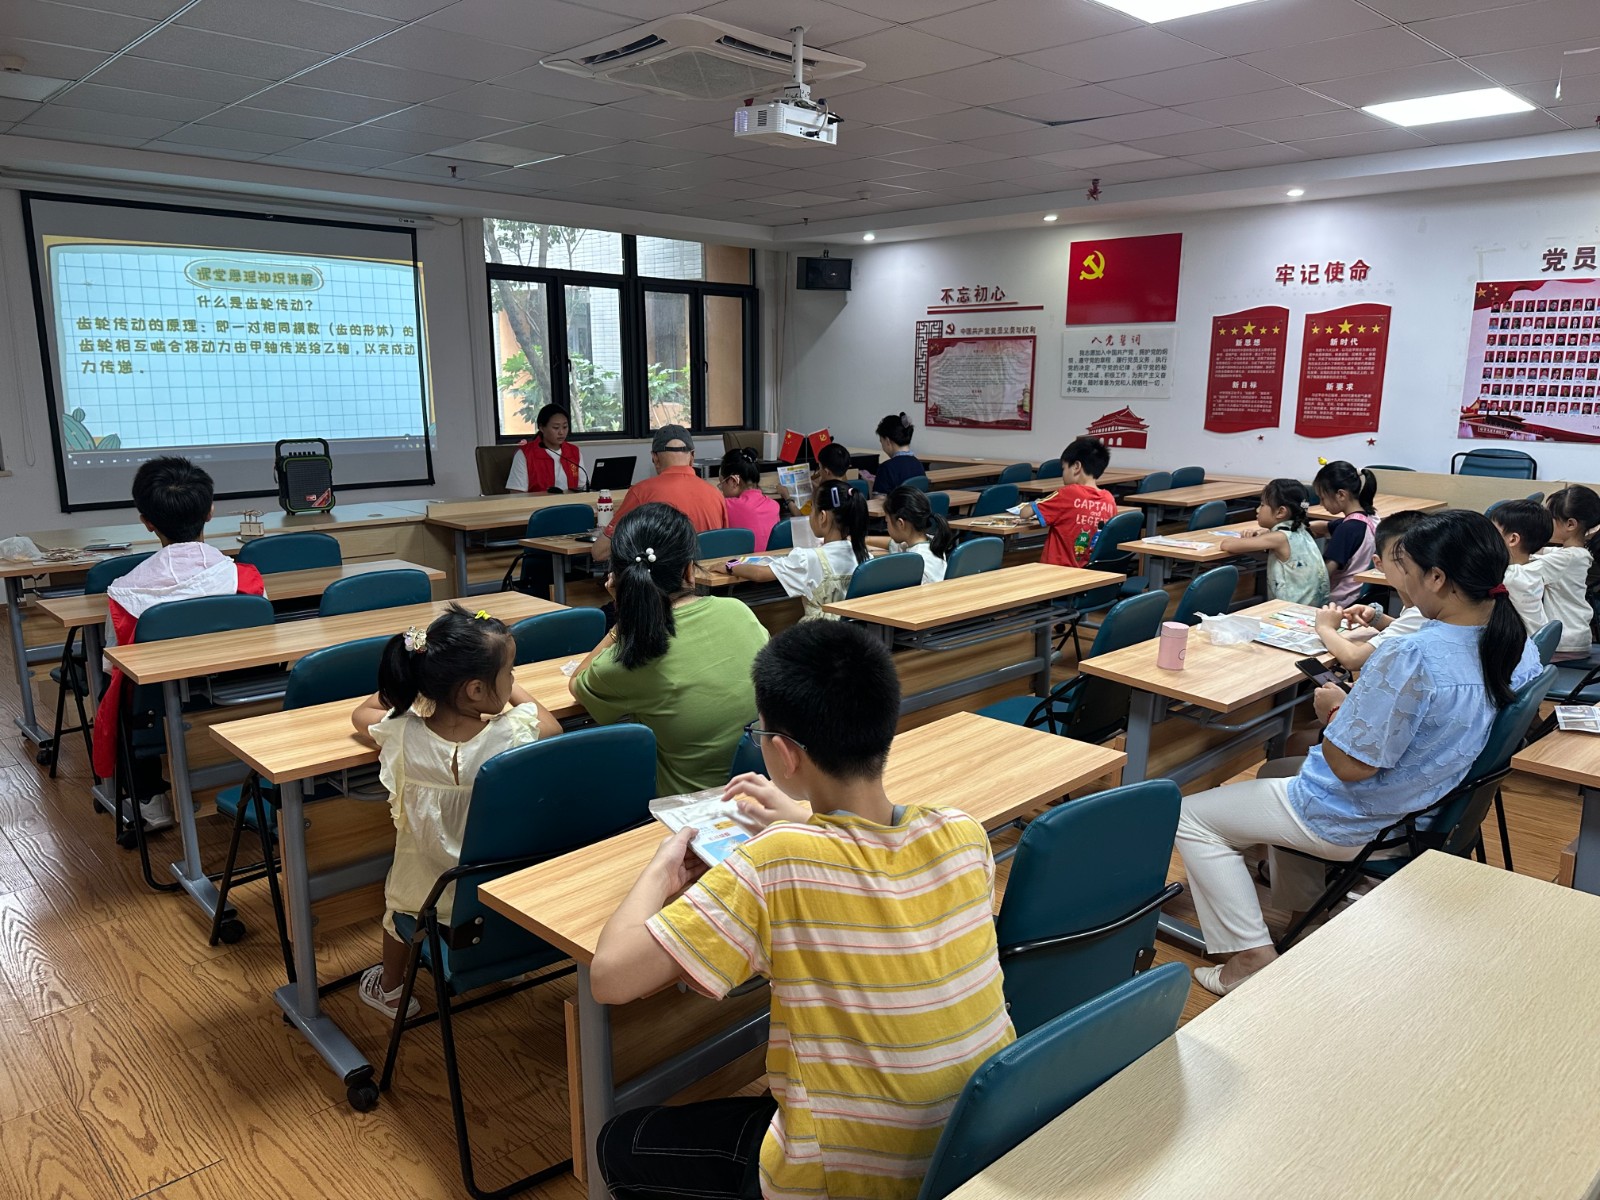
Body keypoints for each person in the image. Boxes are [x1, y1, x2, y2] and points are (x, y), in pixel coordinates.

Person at [590, 620, 1014, 1200]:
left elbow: (612, 977)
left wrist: (661, 870)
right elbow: (868, 863)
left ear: (784, 753)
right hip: (971, 1142)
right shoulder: (963, 833)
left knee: (618, 1142)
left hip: (846, 1178)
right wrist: (803, 813)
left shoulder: (777, 861)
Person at [1176, 509, 1540, 995]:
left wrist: (1333, 711)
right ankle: (1307, 911)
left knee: (1189, 817)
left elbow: (1349, 767)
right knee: (1279, 772)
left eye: (1406, 571)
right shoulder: (1512, 640)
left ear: (1437, 577)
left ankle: (1249, 958)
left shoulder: (1414, 653)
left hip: (1362, 816)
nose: (1401, 582)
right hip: (1424, 806)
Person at [350, 605, 561, 1018]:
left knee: (398, 909)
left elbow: (361, 715)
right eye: (510, 672)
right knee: (482, 903)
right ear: (476, 690)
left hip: (425, 889)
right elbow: (551, 726)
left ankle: (390, 988)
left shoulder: (402, 734)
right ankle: (501, 959)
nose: (513, 680)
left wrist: (416, 682)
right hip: (494, 881)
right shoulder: (511, 733)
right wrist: (509, 692)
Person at [92, 456, 268, 829]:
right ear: (210, 512)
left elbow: (116, 667)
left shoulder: (124, 592)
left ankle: (150, 800)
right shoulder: (246, 579)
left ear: (146, 521)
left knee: (112, 685)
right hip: (242, 694)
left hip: (156, 709)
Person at [572, 503, 768, 793]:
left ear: (620, 581)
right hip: (761, 792)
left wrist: (625, 615)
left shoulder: (630, 658)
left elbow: (578, 683)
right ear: (689, 570)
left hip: (684, 810)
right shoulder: (739, 611)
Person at [729, 480, 869, 618]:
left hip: (818, 630)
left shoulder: (809, 558)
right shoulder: (865, 556)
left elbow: (759, 574)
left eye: (812, 509)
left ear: (822, 517)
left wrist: (731, 566)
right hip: (853, 630)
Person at [592, 425, 726, 564]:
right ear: (692, 456)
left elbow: (600, 552)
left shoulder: (641, 492)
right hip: (707, 575)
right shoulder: (716, 494)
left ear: (655, 458)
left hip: (663, 576)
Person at [1315, 509, 1429, 671]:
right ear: (1379, 564)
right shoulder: (1419, 604)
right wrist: (1377, 618)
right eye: (1400, 560)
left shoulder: (1422, 611)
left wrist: (1324, 627)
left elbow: (1354, 659)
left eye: (1420, 558)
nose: (1412, 568)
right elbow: (1410, 630)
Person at [1220, 477, 1329, 606]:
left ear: (1280, 512)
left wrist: (1248, 539)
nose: (1257, 510)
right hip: (1315, 609)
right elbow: (1275, 559)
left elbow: (1227, 545)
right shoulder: (1302, 530)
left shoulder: (1279, 537)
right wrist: (1257, 540)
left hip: (1290, 611)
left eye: (1262, 505)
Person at [1024, 436, 1119, 569]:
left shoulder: (1068, 493)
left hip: (1056, 570)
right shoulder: (1109, 499)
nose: (1063, 473)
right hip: (1090, 572)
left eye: (1064, 468)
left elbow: (1025, 513)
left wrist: (1028, 505)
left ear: (1076, 466)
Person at [1539, 485, 1600, 658]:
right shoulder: (1576, 553)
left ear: (1570, 524)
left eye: (1550, 517)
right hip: (1574, 636)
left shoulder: (1566, 559)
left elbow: (1521, 568)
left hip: (1564, 642)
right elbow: (1541, 552)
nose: (1545, 522)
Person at [1310, 462, 1379, 606]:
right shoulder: (1369, 518)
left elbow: (1323, 575)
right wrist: (1298, 526)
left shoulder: (1346, 529)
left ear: (1341, 494)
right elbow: (1326, 526)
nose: (1321, 504)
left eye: (1323, 498)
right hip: (1360, 597)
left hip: (1340, 601)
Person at [1492, 499, 1555, 641]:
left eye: (1493, 532)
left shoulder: (1510, 577)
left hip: (1521, 646)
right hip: (1537, 638)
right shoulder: (1535, 566)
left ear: (1513, 539)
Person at [870, 485, 956, 582]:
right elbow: (894, 544)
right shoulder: (932, 541)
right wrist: (864, 540)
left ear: (900, 523)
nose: (887, 526)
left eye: (887, 522)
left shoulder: (913, 561)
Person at [504, 404, 583, 493]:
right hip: (538, 502)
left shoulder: (574, 451)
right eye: (556, 428)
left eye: (565, 427)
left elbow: (582, 487)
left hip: (571, 501)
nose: (561, 432)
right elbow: (516, 494)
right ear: (541, 428)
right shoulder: (525, 454)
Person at [718, 449, 779, 552]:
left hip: (740, 561)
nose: (722, 489)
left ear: (733, 481)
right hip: (769, 560)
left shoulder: (726, 505)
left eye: (721, 483)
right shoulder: (774, 506)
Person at [777, 441, 851, 518]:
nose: (819, 471)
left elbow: (800, 515)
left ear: (826, 471)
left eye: (820, 467)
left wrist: (787, 497)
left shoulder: (822, 497)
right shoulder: (848, 491)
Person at [863, 412, 925, 495]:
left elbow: (878, 500)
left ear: (887, 441)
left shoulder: (886, 468)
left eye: (881, 441)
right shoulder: (918, 464)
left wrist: (870, 485)